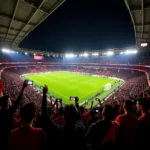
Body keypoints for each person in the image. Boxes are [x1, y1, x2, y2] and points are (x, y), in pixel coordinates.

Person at [42, 85, 86, 150]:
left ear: (64, 116)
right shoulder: (81, 128)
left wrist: (44, 95)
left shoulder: (58, 130)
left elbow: (45, 115)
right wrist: (76, 103)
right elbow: (79, 118)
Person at [0, 80, 28, 150]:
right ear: (7, 103)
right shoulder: (10, 111)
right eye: (9, 100)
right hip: (10, 138)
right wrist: (23, 87)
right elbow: (18, 101)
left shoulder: (2, 113)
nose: (10, 101)